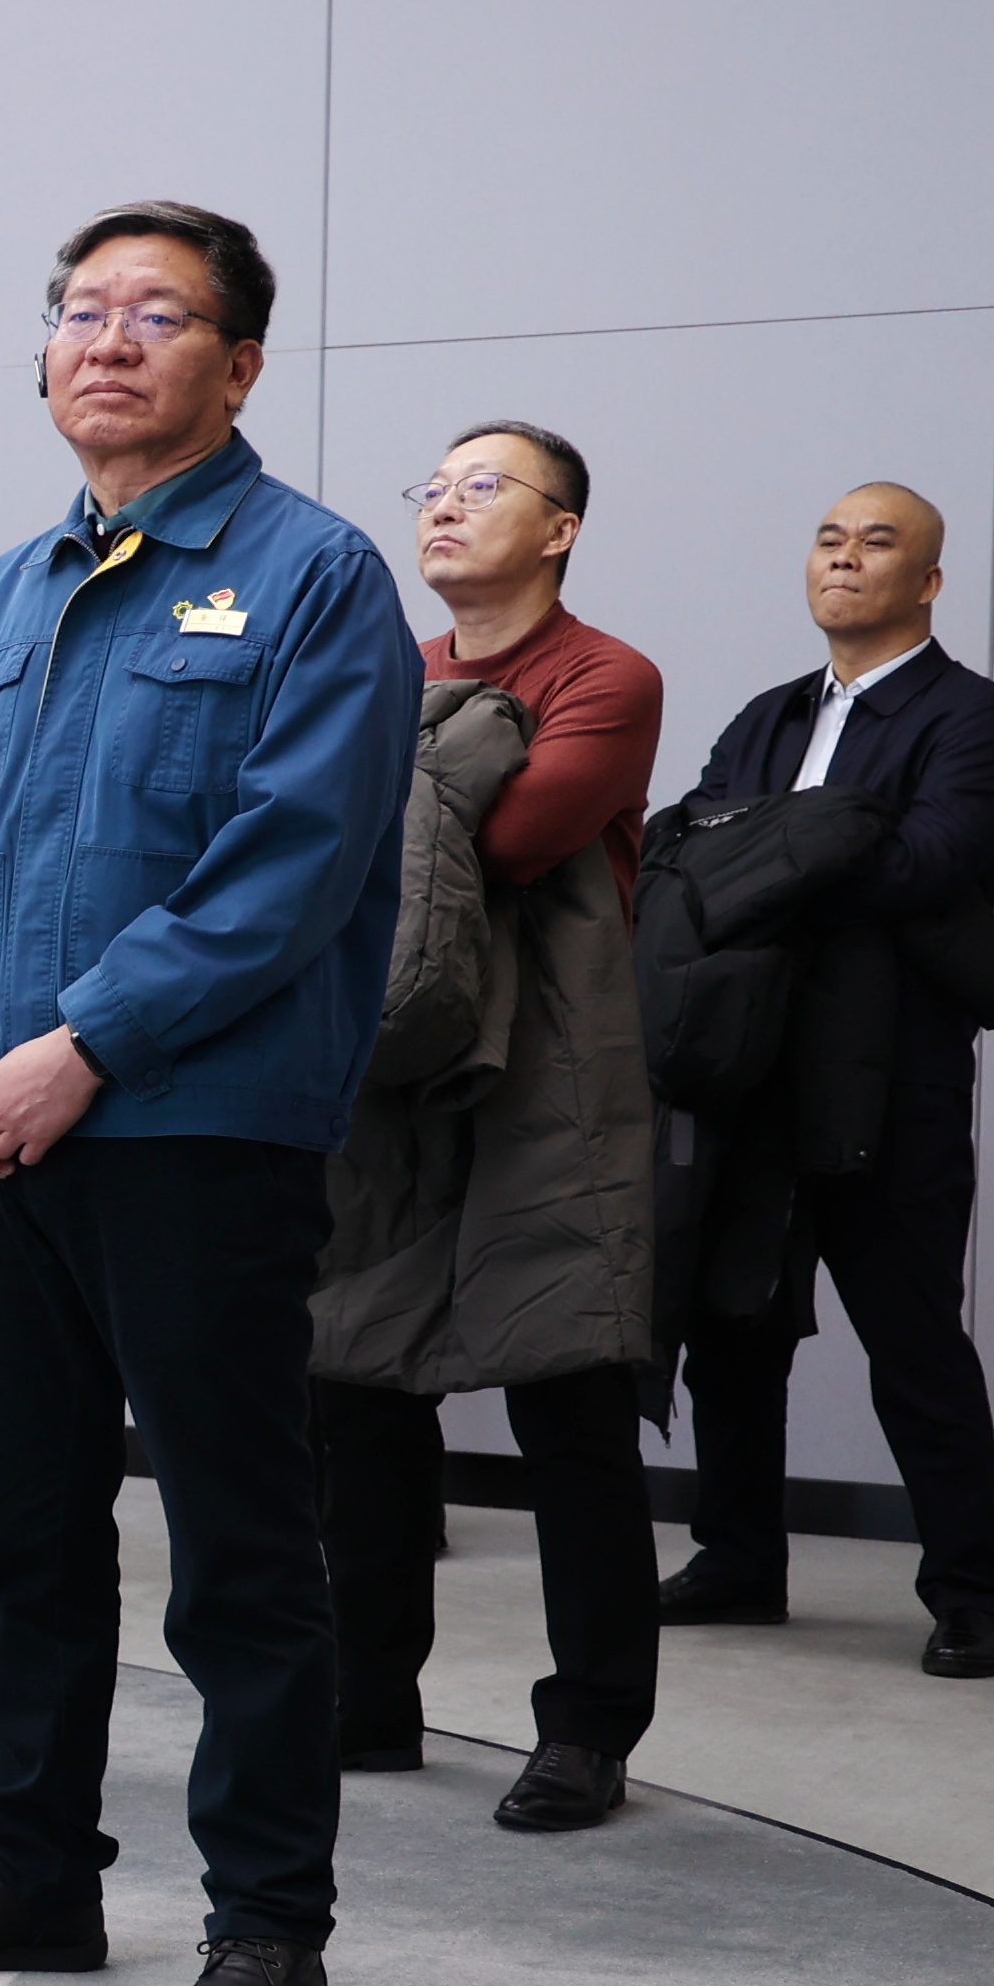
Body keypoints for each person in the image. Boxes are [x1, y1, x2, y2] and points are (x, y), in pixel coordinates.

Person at [0, 203, 419, 1986]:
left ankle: (266, 1923)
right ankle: (33, 1865)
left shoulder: (314, 577)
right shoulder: (2, 594)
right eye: (80, 310)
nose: (106, 340)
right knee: (16, 1524)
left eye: (155, 314)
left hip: (196, 1130)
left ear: (237, 365)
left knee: (237, 1545)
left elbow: (288, 868)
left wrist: (82, 1043)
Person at [307, 423, 667, 1831]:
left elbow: (512, 840)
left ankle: (587, 1728)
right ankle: (364, 1698)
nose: (444, 509)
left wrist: (376, 788)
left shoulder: (605, 675)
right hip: (390, 1060)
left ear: (560, 527)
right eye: (434, 489)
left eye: (483, 488)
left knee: (570, 1406)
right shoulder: (389, 670)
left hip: (546, 1078)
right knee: (357, 1387)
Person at [658, 482, 994, 1678]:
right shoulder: (767, 713)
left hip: (887, 1075)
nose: (843, 557)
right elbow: (684, 855)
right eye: (827, 539)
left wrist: (765, 852)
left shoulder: (972, 714)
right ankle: (736, 1561)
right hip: (750, 1067)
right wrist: (816, 841)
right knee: (730, 1328)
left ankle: (968, 1593)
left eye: (875, 542)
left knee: (910, 1340)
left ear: (926, 581)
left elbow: (932, 862)